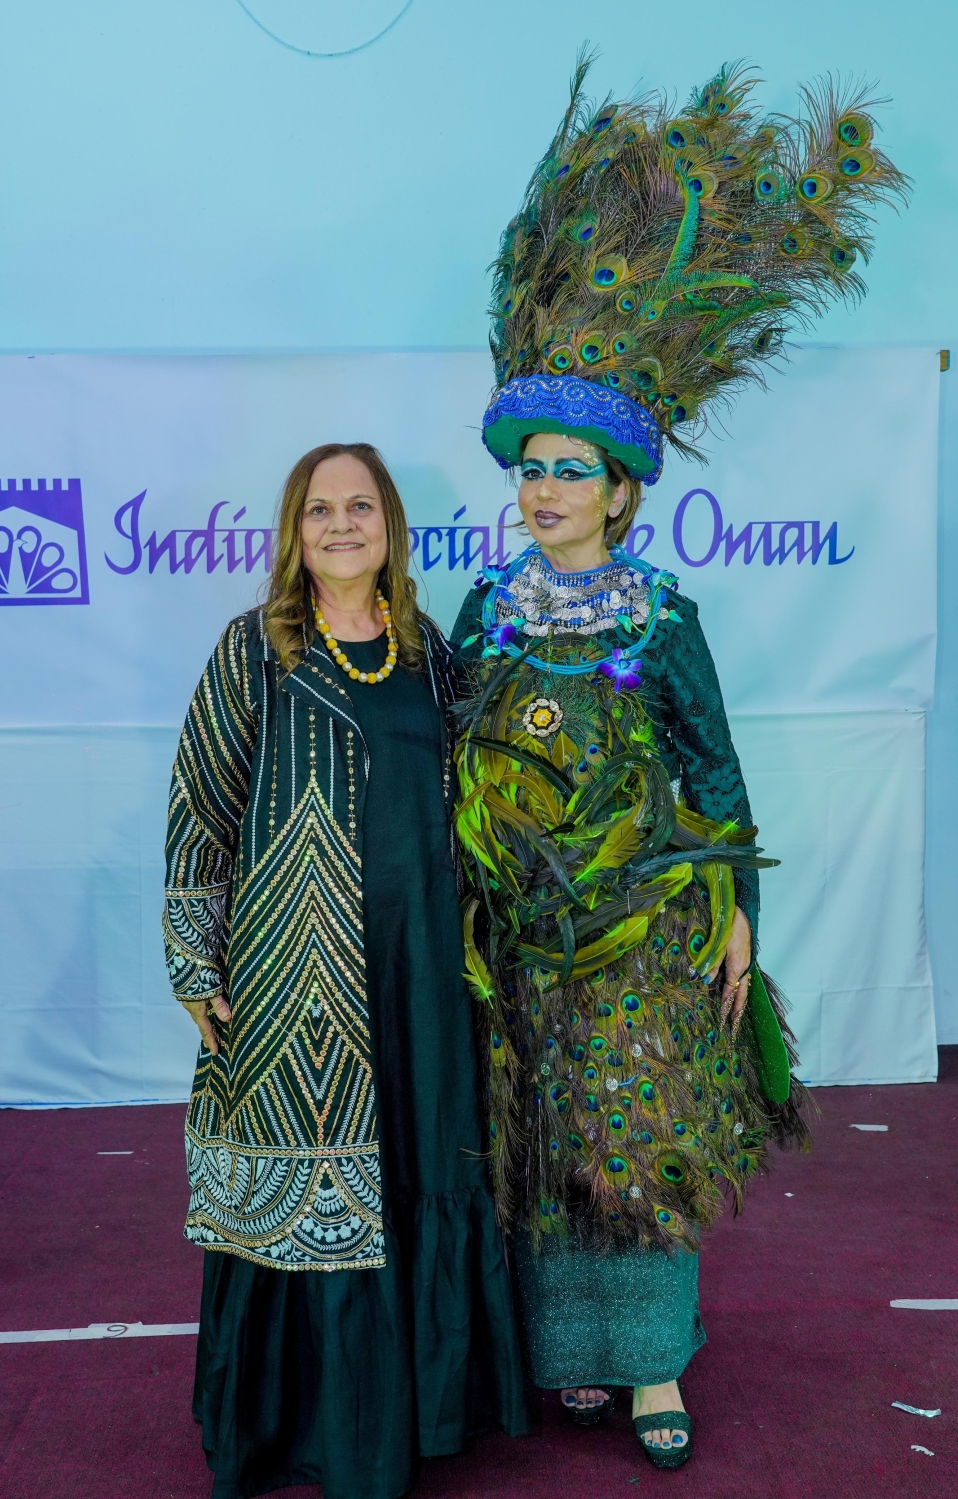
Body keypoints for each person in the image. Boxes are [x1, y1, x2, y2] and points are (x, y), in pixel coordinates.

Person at [449, 59, 906, 1469]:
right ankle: (569, 1357)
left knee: (634, 1132)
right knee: (536, 1142)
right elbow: (448, 751)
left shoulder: (663, 615)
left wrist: (737, 914)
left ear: (622, 488)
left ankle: (652, 1362)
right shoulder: (483, 607)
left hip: (645, 931)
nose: (544, 489)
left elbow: (715, 772)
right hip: (523, 933)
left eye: (570, 469)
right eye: (531, 466)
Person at [163, 441, 528, 1499]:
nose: (340, 525)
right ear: (295, 531)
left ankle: (421, 1412)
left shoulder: (430, 652)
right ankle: (314, 1427)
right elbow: (200, 807)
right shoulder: (255, 649)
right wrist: (193, 957)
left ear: (391, 526)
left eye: (359, 506)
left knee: (420, 1162)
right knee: (320, 1172)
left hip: (425, 974)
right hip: (299, 973)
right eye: (319, 509)